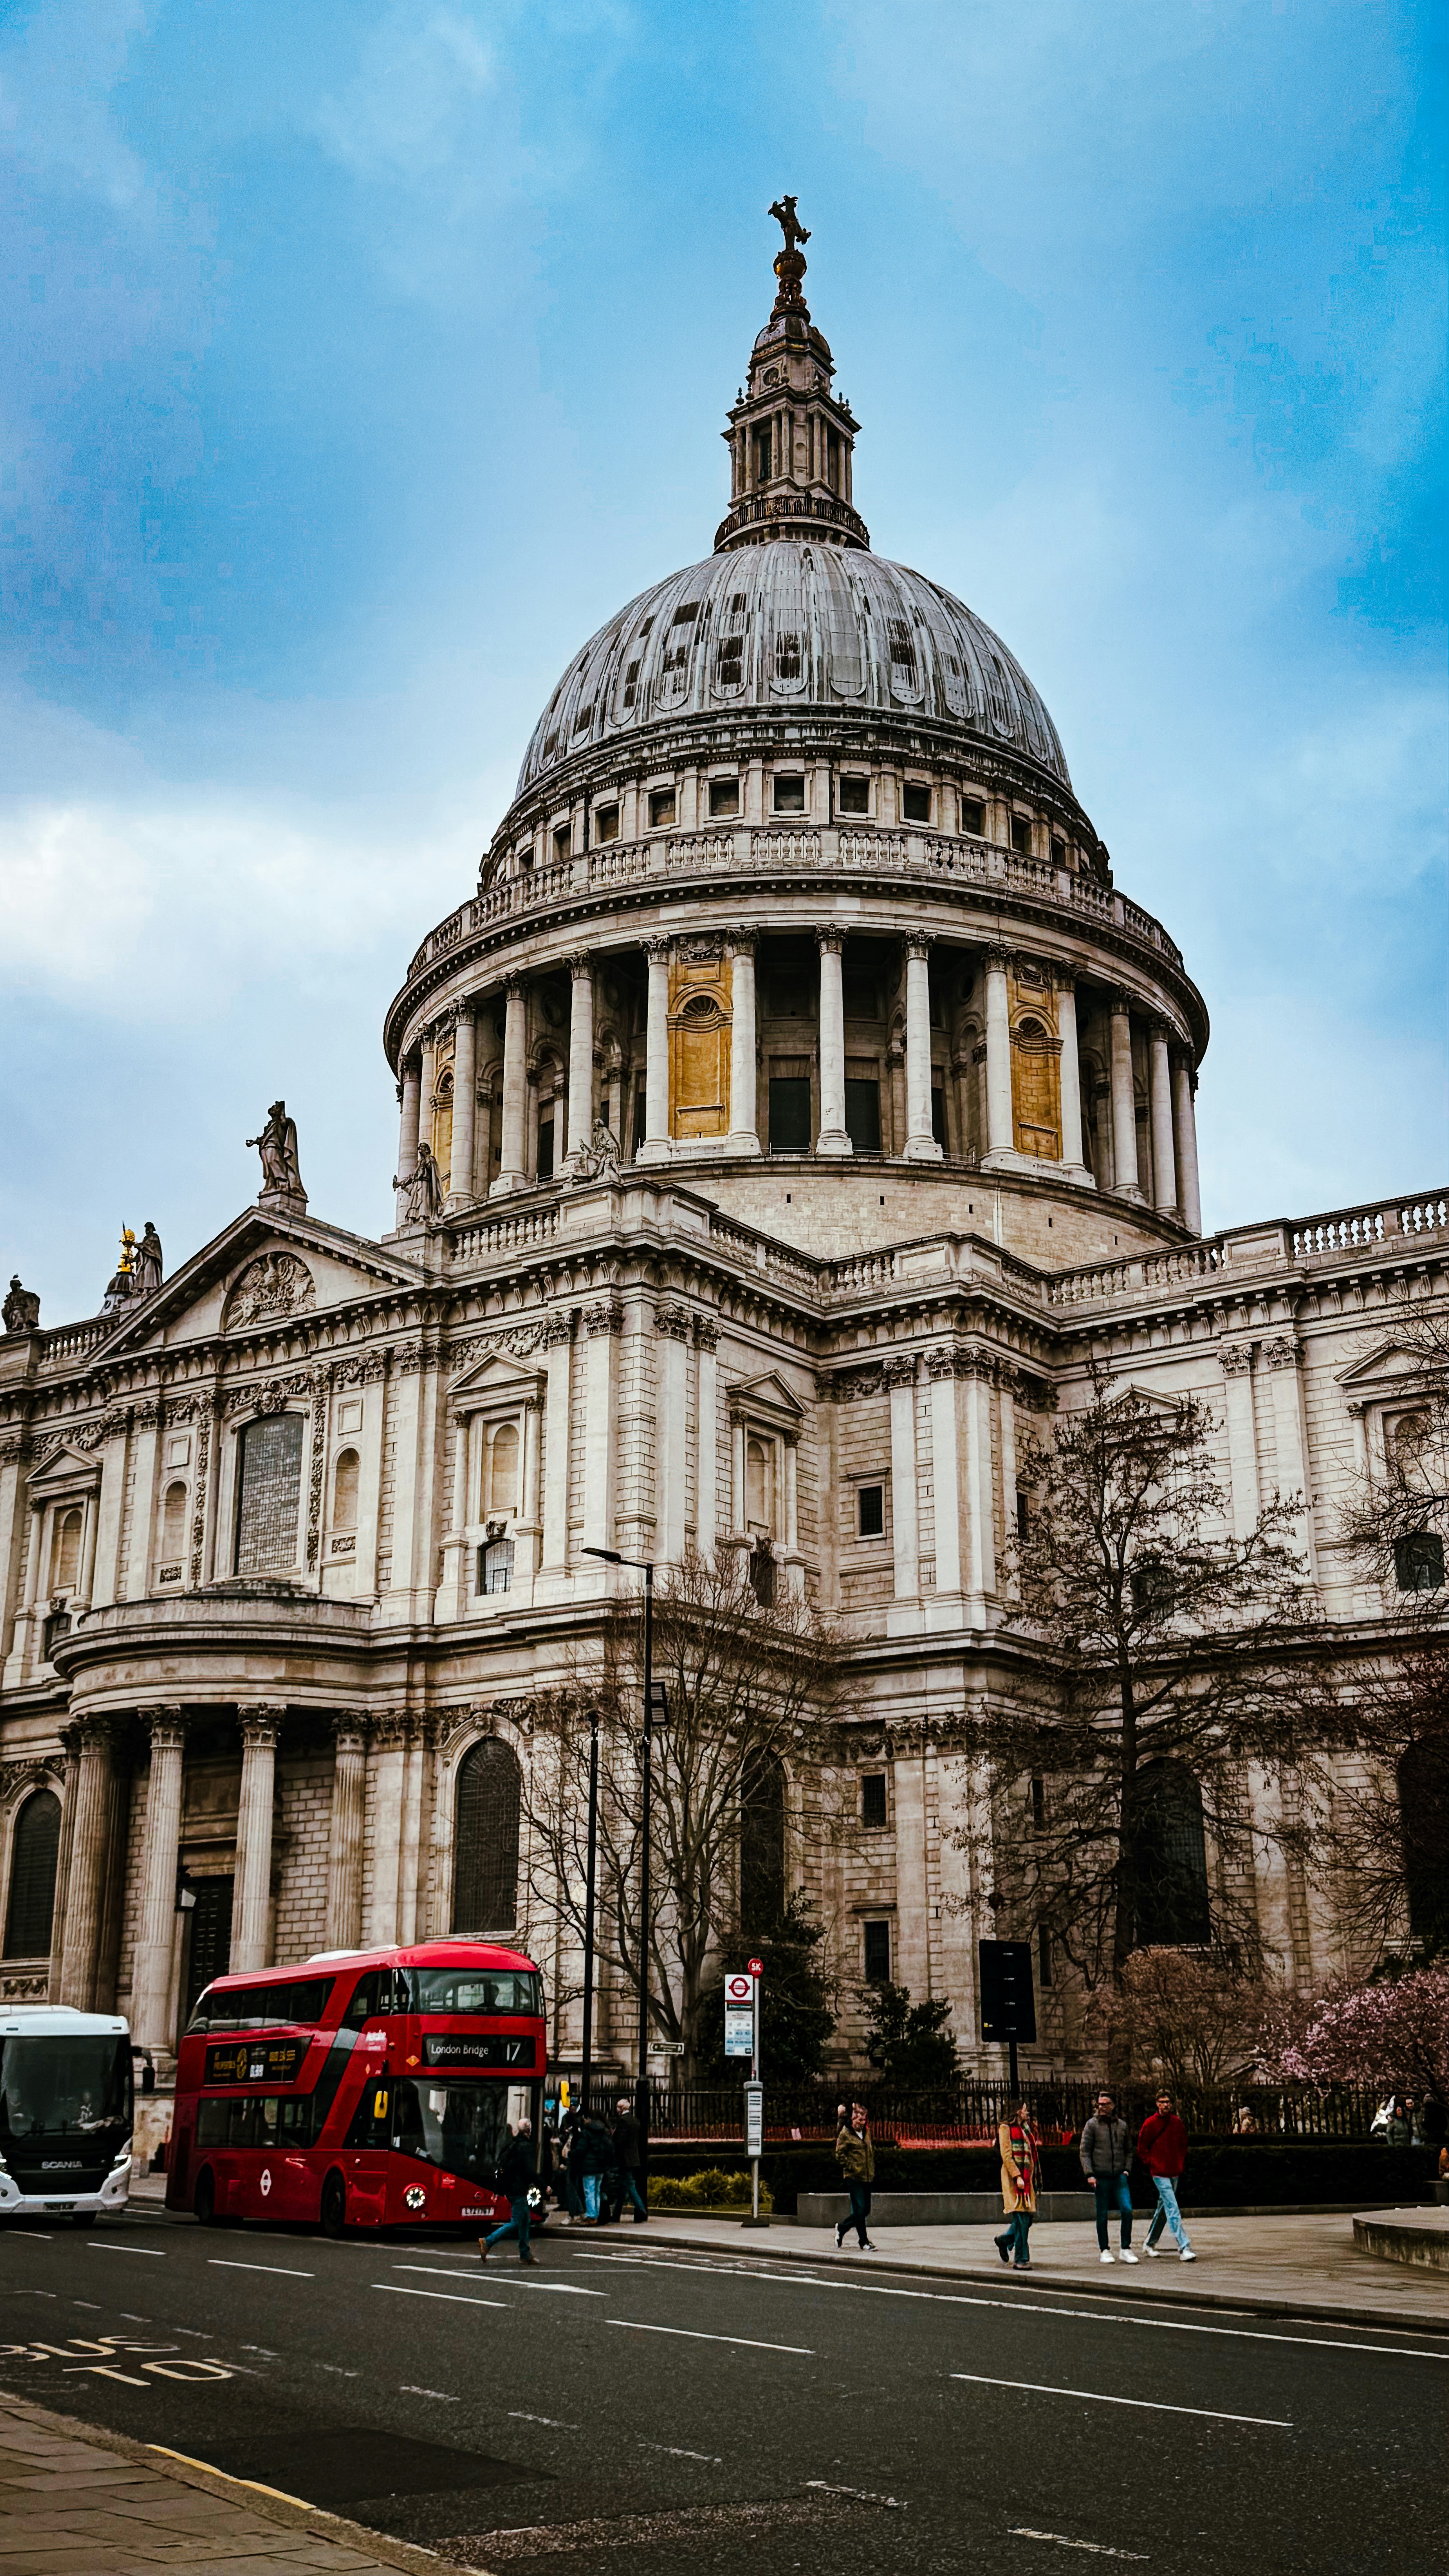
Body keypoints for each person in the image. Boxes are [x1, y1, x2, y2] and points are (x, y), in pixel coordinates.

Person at [1137, 2088, 1196, 2262]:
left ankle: (1150, 2242)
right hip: (1159, 2172)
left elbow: (1183, 2144)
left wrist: (1179, 2162)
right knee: (1172, 2207)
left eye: (1168, 2102)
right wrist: (1152, 2163)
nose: (1165, 2105)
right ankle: (1184, 2246)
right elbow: (1142, 2148)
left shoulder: (1177, 2123)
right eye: (1162, 2102)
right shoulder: (1150, 2124)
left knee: (1164, 2209)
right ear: (1157, 2104)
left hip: (1173, 2171)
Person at [1079, 2089, 1137, 2263]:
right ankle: (1104, 2249)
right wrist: (1089, 2173)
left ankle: (1126, 2248)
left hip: (1119, 2176)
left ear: (1113, 2106)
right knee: (1102, 2214)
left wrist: (1127, 2169)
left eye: (1105, 2104)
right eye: (1100, 2104)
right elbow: (1085, 2151)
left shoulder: (1122, 2126)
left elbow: (1129, 2150)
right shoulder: (1092, 2125)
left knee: (1127, 2210)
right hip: (1100, 2176)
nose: (1102, 2107)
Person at [478, 2119, 537, 2264]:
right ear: (529, 2131)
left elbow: (502, 2168)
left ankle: (525, 2253)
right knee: (517, 2222)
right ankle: (488, 2241)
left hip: (511, 2189)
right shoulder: (526, 2147)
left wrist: (498, 2189)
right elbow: (530, 2172)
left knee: (525, 2220)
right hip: (519, 2189)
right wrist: (544, 2186)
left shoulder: (512, 2145)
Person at [994, 2098, 1040, 2271]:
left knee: (1027, 2220)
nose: (1027, 2112)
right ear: (1017, 2111)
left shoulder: (1025, 2129)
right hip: (1016, 2180)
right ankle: (1021, 2259)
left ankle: (1004, 2240)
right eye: (1025, 2109)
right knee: (1021, 2220)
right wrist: (1017, 2176)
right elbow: (1006, 2156)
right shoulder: (1005, 2129)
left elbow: (1030, 2155)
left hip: (1027, 2181)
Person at [834, 2100, 876, 2253]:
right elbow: (839, 2154)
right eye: (859, 2120)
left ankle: (842, 2228)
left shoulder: (866, 2132)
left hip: (866, 2176)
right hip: (853, 2177)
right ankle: (864, 2242)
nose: (862, 2123)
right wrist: (851, 2167)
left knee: (865, 2211)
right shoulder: (846, 2133)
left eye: (864, 2120)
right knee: (860, 2209)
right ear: (853, 2119)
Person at [612, 2095, 649, 2222]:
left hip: (624, 2159)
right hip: (634, 2157)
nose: (616, 2110)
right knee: (623, 2187)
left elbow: (620, 2141)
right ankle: (615, 2215)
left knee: (630, 2185)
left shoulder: (623, 2121)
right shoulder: (635, 2121)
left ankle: (642, 2209)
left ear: (622, 2108)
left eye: (617, 2107)